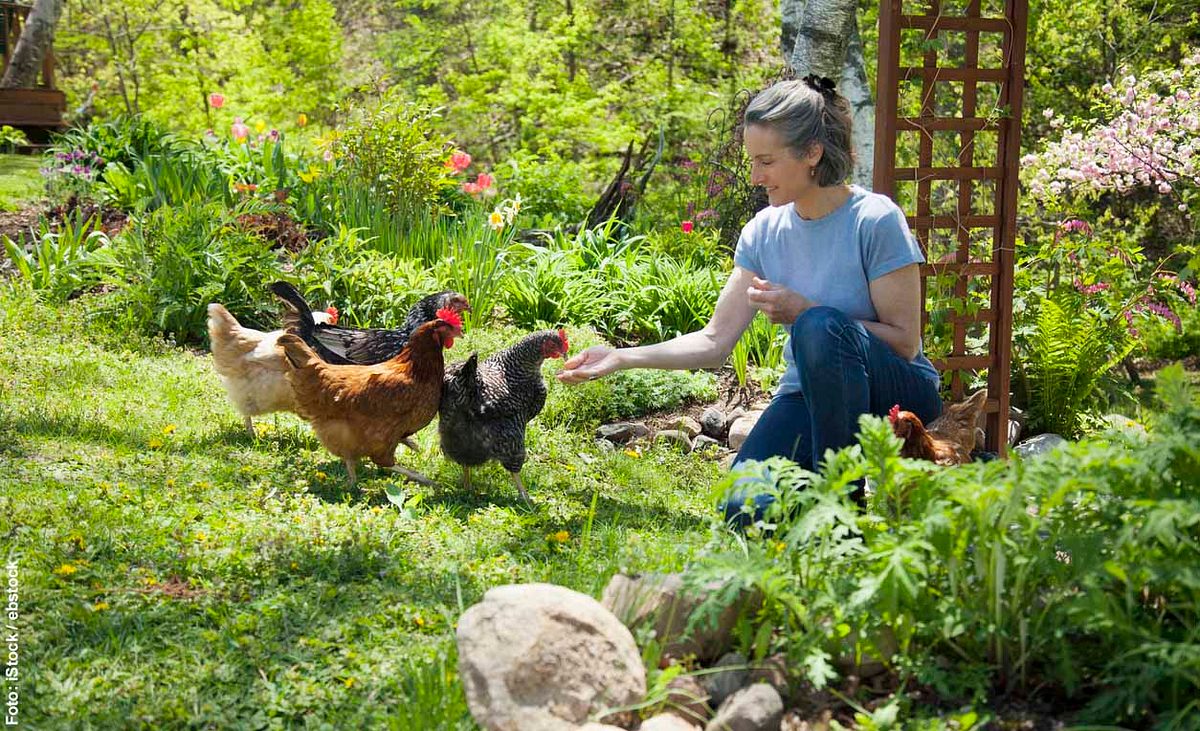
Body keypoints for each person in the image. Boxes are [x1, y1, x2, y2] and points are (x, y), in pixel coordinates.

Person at [556, 75, 942, 525]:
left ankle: (841, 514)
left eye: (766, 162)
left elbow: (904, 342)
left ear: (812, 153)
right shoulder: (764, 230)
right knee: (742, 510)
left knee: (817, 327)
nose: (756, 177)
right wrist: (619, 357)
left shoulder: (874, 220)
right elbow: (714, 340)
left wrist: (806, 312)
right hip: (808, 396)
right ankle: (812, 503)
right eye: (752, 162)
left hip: (897, 392)